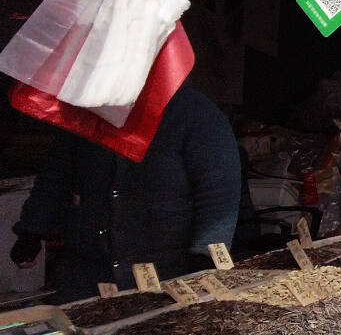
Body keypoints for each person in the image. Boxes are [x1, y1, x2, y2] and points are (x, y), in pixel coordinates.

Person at [14, 84, 243, 303]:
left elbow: (218, 191)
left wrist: (204, 254)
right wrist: (32, 229)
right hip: (88, 273)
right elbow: (57, 173)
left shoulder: (194, 113)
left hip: (166, 273)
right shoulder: (88, 108)